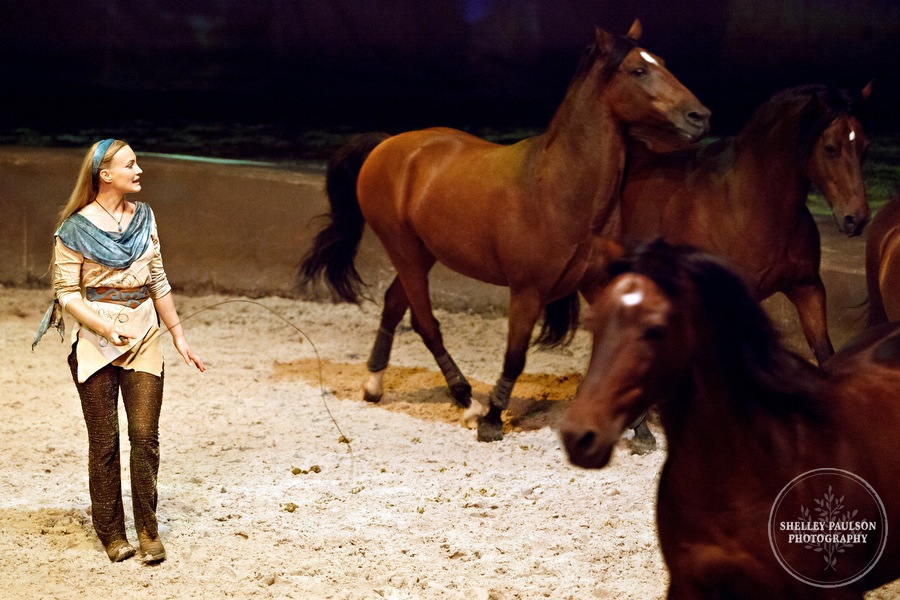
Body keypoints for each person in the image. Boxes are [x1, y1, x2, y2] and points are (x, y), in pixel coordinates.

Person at [34, 139, 205, 563]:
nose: (140, 170)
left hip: (144, 335)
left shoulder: (145, 218)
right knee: (104, 442)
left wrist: (178, 335)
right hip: (95, 343)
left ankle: (148, 529)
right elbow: (66, 292)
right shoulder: (73, 228)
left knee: (145, 436)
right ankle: (111, 532)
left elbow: (158, 280)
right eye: (131, 164)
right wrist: (101, 324)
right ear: (104, 175)